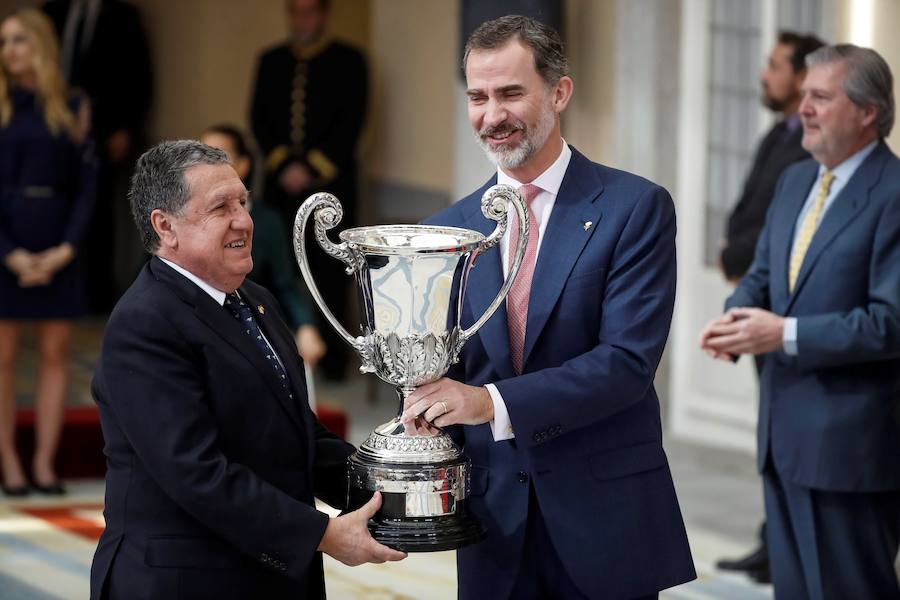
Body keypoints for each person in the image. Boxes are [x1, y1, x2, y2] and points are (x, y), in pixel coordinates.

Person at [402, 15, 695, 599]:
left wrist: (487, 403)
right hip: (492, 524)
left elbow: (625, 365)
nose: (492, 115)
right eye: (478, 97)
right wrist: (418, 399)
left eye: (511, 93)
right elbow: (439, 367)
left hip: (604, 518)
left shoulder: (634, 208)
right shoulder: (444, 229)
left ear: (558, 92)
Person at [90, 140, 404, 600]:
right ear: (166, 226)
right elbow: (196, 472)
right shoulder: (145, 323)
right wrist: (323, 534)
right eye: (221, 207)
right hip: (184, 582)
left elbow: (300, 437)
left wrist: (394, 491)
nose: (244, 220)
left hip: (267, 575)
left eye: (243, 201)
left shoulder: (255, 300)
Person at [700, 45, 900, 599]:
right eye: (804, 94)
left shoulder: (893, 194)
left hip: (850, 449)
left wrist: (780, 334)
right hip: (782, 438)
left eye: (820, 97)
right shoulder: (794, 181)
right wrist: (735, 318)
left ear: (867, 112)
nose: (803, 109)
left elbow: (889, 323)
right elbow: (763, 275)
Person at [714, 30, 824, 584]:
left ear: (804, 76)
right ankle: (773, 543)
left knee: (789, 433)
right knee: (771, 432)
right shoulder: (776, 134)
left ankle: (786, 547)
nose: (765, 74)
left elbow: (788, 233)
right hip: (757, 298)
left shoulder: (808, 145)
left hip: (784, 315)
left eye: (776, 65)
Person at [0, 8, 96, 496]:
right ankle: (11, 464)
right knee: (3, 356)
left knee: (56, 353)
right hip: (6, 242)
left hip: (59, 241)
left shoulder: (74, 104)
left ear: (39, 43)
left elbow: (88, 184)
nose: (8, 50)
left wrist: (66, 249)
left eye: (17, 39)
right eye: (4, 42)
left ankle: (43, 462)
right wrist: (9, 253)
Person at [250, 0, 367, 380]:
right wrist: (283, 165)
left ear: (323, 14)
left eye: (309, 11)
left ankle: (332, 360)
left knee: (330, 270)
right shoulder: (271, 60)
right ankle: (276, 352)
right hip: (281, 187)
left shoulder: (350, 61)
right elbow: (259, 118)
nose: (302, 20)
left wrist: (313, 167)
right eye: (295, 11)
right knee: (275, 267)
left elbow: (352, 119)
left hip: (331, 188)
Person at [42, 0, 153, 312]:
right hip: (53, 125)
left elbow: (137, 73)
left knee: (98, 211)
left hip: (103, 129)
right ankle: (52, 286)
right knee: (53, 204)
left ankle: (95, 294)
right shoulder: (52, 11)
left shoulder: (122, 15)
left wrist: (125, 127)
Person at [200, 124, 326, 368]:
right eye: (199, 156)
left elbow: (285, 283)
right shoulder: (183, 216)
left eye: (217, 156)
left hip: (243, 329)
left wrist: (306, 326)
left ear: (243, 165)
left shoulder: (267, 222)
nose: (205, 166)